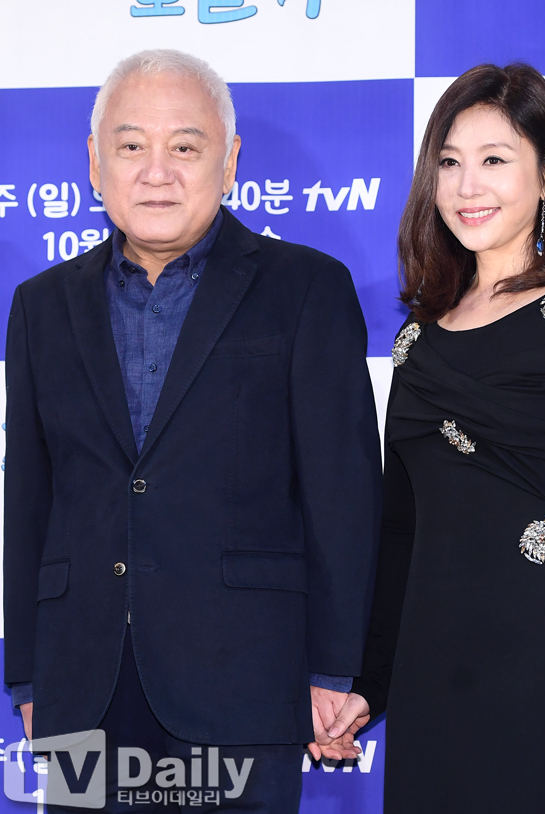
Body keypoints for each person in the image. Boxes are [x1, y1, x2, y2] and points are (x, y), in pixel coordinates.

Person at [3, 49, 381, 813]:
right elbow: (30, 502)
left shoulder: (306, 289)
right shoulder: (40, 306)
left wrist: (336, 669)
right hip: (82, 689)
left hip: (245, 681)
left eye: (184, 146)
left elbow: (343, 498)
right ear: (95, 162)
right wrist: (29, 678)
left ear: (229, 161)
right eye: (131, 145)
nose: (157, 172)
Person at [325, 63, 545, 813]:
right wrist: (372, 683)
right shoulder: (419, 338)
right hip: (432, 666)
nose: (467, 186)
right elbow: (401, 531)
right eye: (449, 163)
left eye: (494, 160)